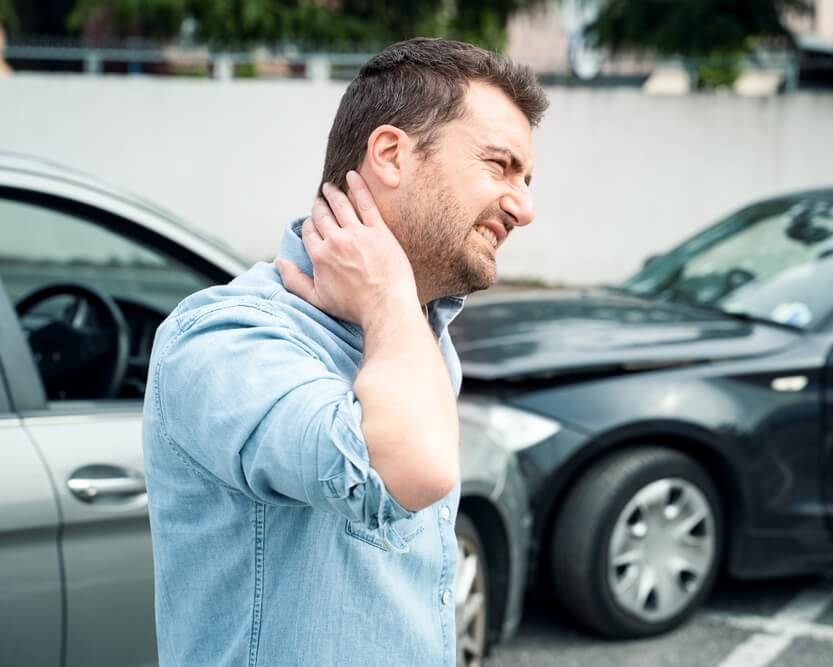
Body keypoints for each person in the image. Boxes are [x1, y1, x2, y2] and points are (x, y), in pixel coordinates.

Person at [142, 37, 547, 666]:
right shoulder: (227, 339)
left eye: (526, 178)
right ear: (389, 153)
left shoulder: (412, 333)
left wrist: (392, 310)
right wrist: (386, 297)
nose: (524, 208)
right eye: (499, 166)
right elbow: (411, 472)